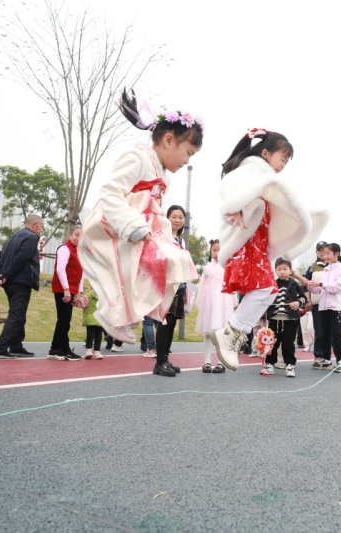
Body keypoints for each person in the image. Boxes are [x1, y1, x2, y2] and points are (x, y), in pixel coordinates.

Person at [78, 89, 201, 352]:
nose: (187, 160)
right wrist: (131, 224)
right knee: (139, 267)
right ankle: (113, 314)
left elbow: (156, 206)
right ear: (169, 140)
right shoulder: (138, 157)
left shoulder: (163, 174)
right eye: (188, 152)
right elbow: (111, 192)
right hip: (120, 222)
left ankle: (130, 314)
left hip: (147, 228)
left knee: (177, 263)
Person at [210, 129, 328, 371]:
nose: (283, 165)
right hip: (247, 243)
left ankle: (232, 334)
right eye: (282, 158)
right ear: (265, 153)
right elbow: (230, 192)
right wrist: (236, 206)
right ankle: (231, 334)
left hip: (257, 244)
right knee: (267, 288)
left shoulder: (264, 179)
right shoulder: (249, 171)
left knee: (267, 289)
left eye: (287, 161)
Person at [0, 214, 44, 359]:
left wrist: (0, 276)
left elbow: (0, 257)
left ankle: (16, 346)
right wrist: (6, 275)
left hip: (10, 281)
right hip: (20, 280)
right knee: (16, 314)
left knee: (19, 314)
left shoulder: (12, 238)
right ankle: (1, 348)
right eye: (41, 227)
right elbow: (22, 258)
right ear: (34, 225)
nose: (41, 230)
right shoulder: (31, 237)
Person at [152, 205, 194, 376]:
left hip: (179, 285)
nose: (177, 220)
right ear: (167, 218)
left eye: (180, 217)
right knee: (164, 323)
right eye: (174, 217)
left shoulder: (181, 240)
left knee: (172, 323)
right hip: (166, 285)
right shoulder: (163, 237)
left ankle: (166, 358)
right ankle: (159, 362)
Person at [306, 243, 341, 373]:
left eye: (328, 253)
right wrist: (310, 286)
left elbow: (338, 287)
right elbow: (320, 289)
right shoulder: (326, 269)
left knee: (336, 334)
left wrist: (320, 283)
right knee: (324, 333)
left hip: (336, 307)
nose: (325, 256)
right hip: (323, 307)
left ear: (336, 254)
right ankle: (326, 359)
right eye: (323, 254)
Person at [195, 239, 234, 374]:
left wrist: (232, 304)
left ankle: (220, 362)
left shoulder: (228, 266)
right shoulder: (207, 268)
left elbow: (232, 285)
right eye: (214, 250)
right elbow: (201, 288)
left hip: (224, 304)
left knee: (221, 334)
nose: (217, 253)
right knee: (208, 334)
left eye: (220, 250)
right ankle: (206, 362)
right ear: (210, 251)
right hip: (210, 304)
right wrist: (201, 303)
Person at [263, 258, 307, 377]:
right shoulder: (273, 283)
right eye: (279, 269)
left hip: (290, 319)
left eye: (285, 269)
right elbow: (266, 298)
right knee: (271, 343)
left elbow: (304, 298)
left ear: (290, 270)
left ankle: (290, 365)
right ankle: (269, 364)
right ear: (275, 271)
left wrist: (298, 303)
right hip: (274, 318)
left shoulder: (294, 284)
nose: (282, 272)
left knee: (288, 342)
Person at [48, 225, 84, 361]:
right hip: (62, 289)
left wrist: (78, 291)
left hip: (72, 290)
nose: (78, 238)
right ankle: (63, 348)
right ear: (70, 235)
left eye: (81, 236)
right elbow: (60, 269)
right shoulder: (65, 249)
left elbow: (81, 272)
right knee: (64, 320)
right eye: (76, 235)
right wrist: (67, 290)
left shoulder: (79, 252)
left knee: (64, 320)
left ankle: (55, 349)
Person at [82, 290, 104, 359]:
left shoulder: (104, 297)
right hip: (91, 319)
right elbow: (82, 304)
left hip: (100, 319)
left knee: (99, 336)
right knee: (90, 335)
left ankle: (97, 351)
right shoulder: (88, 296)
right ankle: (88, 350)